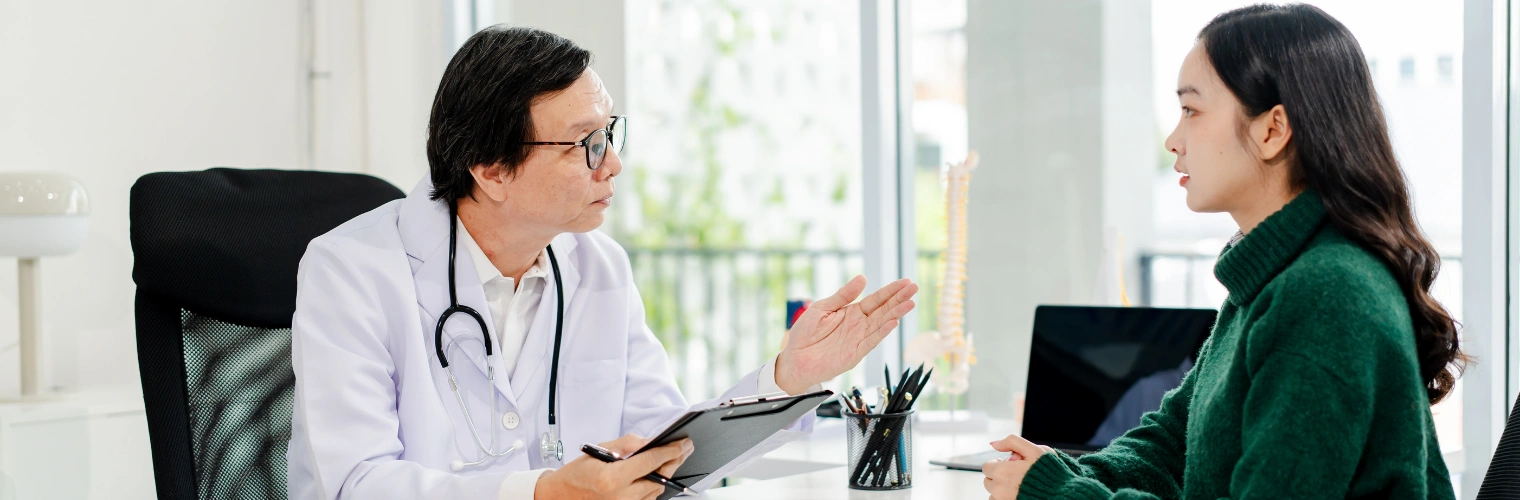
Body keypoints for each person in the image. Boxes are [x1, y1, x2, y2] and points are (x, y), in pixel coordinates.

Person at [285, 26, 918, 500]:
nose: (612, 164)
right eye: (586, 144)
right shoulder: (352, 271)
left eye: (610, 134)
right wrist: (542, 493)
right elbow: (354, 483)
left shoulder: (596, 266)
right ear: (491, 169)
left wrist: (785, 381)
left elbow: (670, 452)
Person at [983, 4, 1463, 499]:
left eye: (1191, 111)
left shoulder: (1326, 292)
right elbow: (1172, 443)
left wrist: (1060, 493)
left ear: (1272, 130)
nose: (1173, 140)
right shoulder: (1270, 279)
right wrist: (1061, 472)